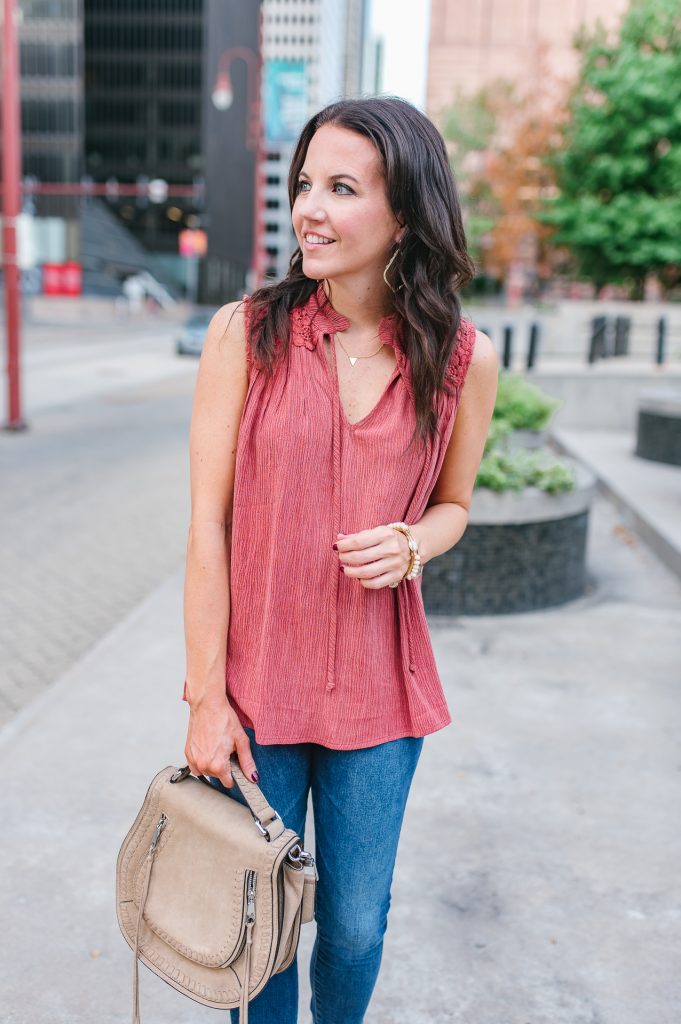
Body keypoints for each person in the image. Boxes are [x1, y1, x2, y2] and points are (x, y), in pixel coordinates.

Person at [181, 96, 498, 1024]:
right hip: (255, 692)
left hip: (379, 694)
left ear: (405, 213)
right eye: (304, 184)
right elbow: (208, 524)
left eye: (342, 188)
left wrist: (412, 541)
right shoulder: (247, 334)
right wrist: (205, 695)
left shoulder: (460, 359)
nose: (308, 208)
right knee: (262, 921)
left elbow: (455, 507)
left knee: (355, 925)